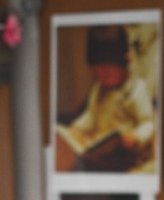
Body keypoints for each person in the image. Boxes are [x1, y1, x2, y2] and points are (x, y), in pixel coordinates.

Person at [58, 24, 156, 172]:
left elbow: (148, 123)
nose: (104, 74)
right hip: (104, 150)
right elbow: (92, 114)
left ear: (126, 59)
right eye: (99, 68)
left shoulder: (136, 90)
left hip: (128, 154)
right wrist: (78, 127)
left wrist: (136, 137)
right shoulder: (99, 89)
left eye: (110, 67)